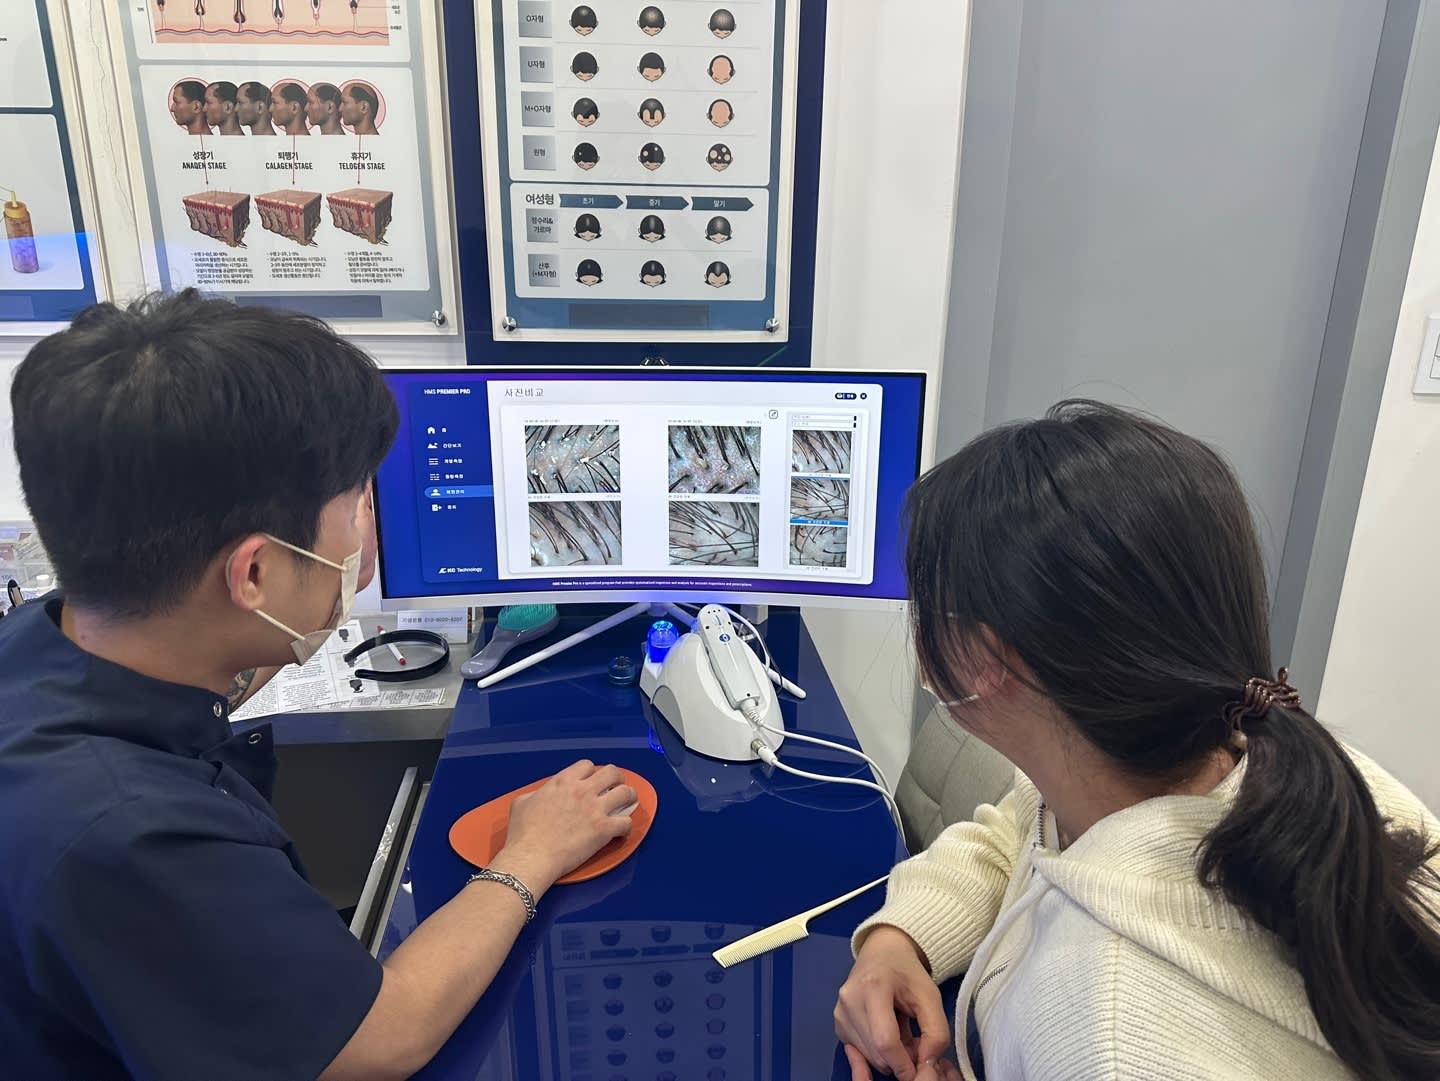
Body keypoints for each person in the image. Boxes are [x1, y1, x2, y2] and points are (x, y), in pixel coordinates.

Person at [0, 292, 637, 1080]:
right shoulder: (133, 835)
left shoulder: (45, 642)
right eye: (355, 507)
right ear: (254, 574)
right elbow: (381, 1035)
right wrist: (532, 852)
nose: (367, 529)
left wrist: (301, 609)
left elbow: (194, 658)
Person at [834, 401, 1440, 1081]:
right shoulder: (1251, 759)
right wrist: (899, 938)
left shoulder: (1108, 1036)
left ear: (984, 659)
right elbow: (1018, 835)